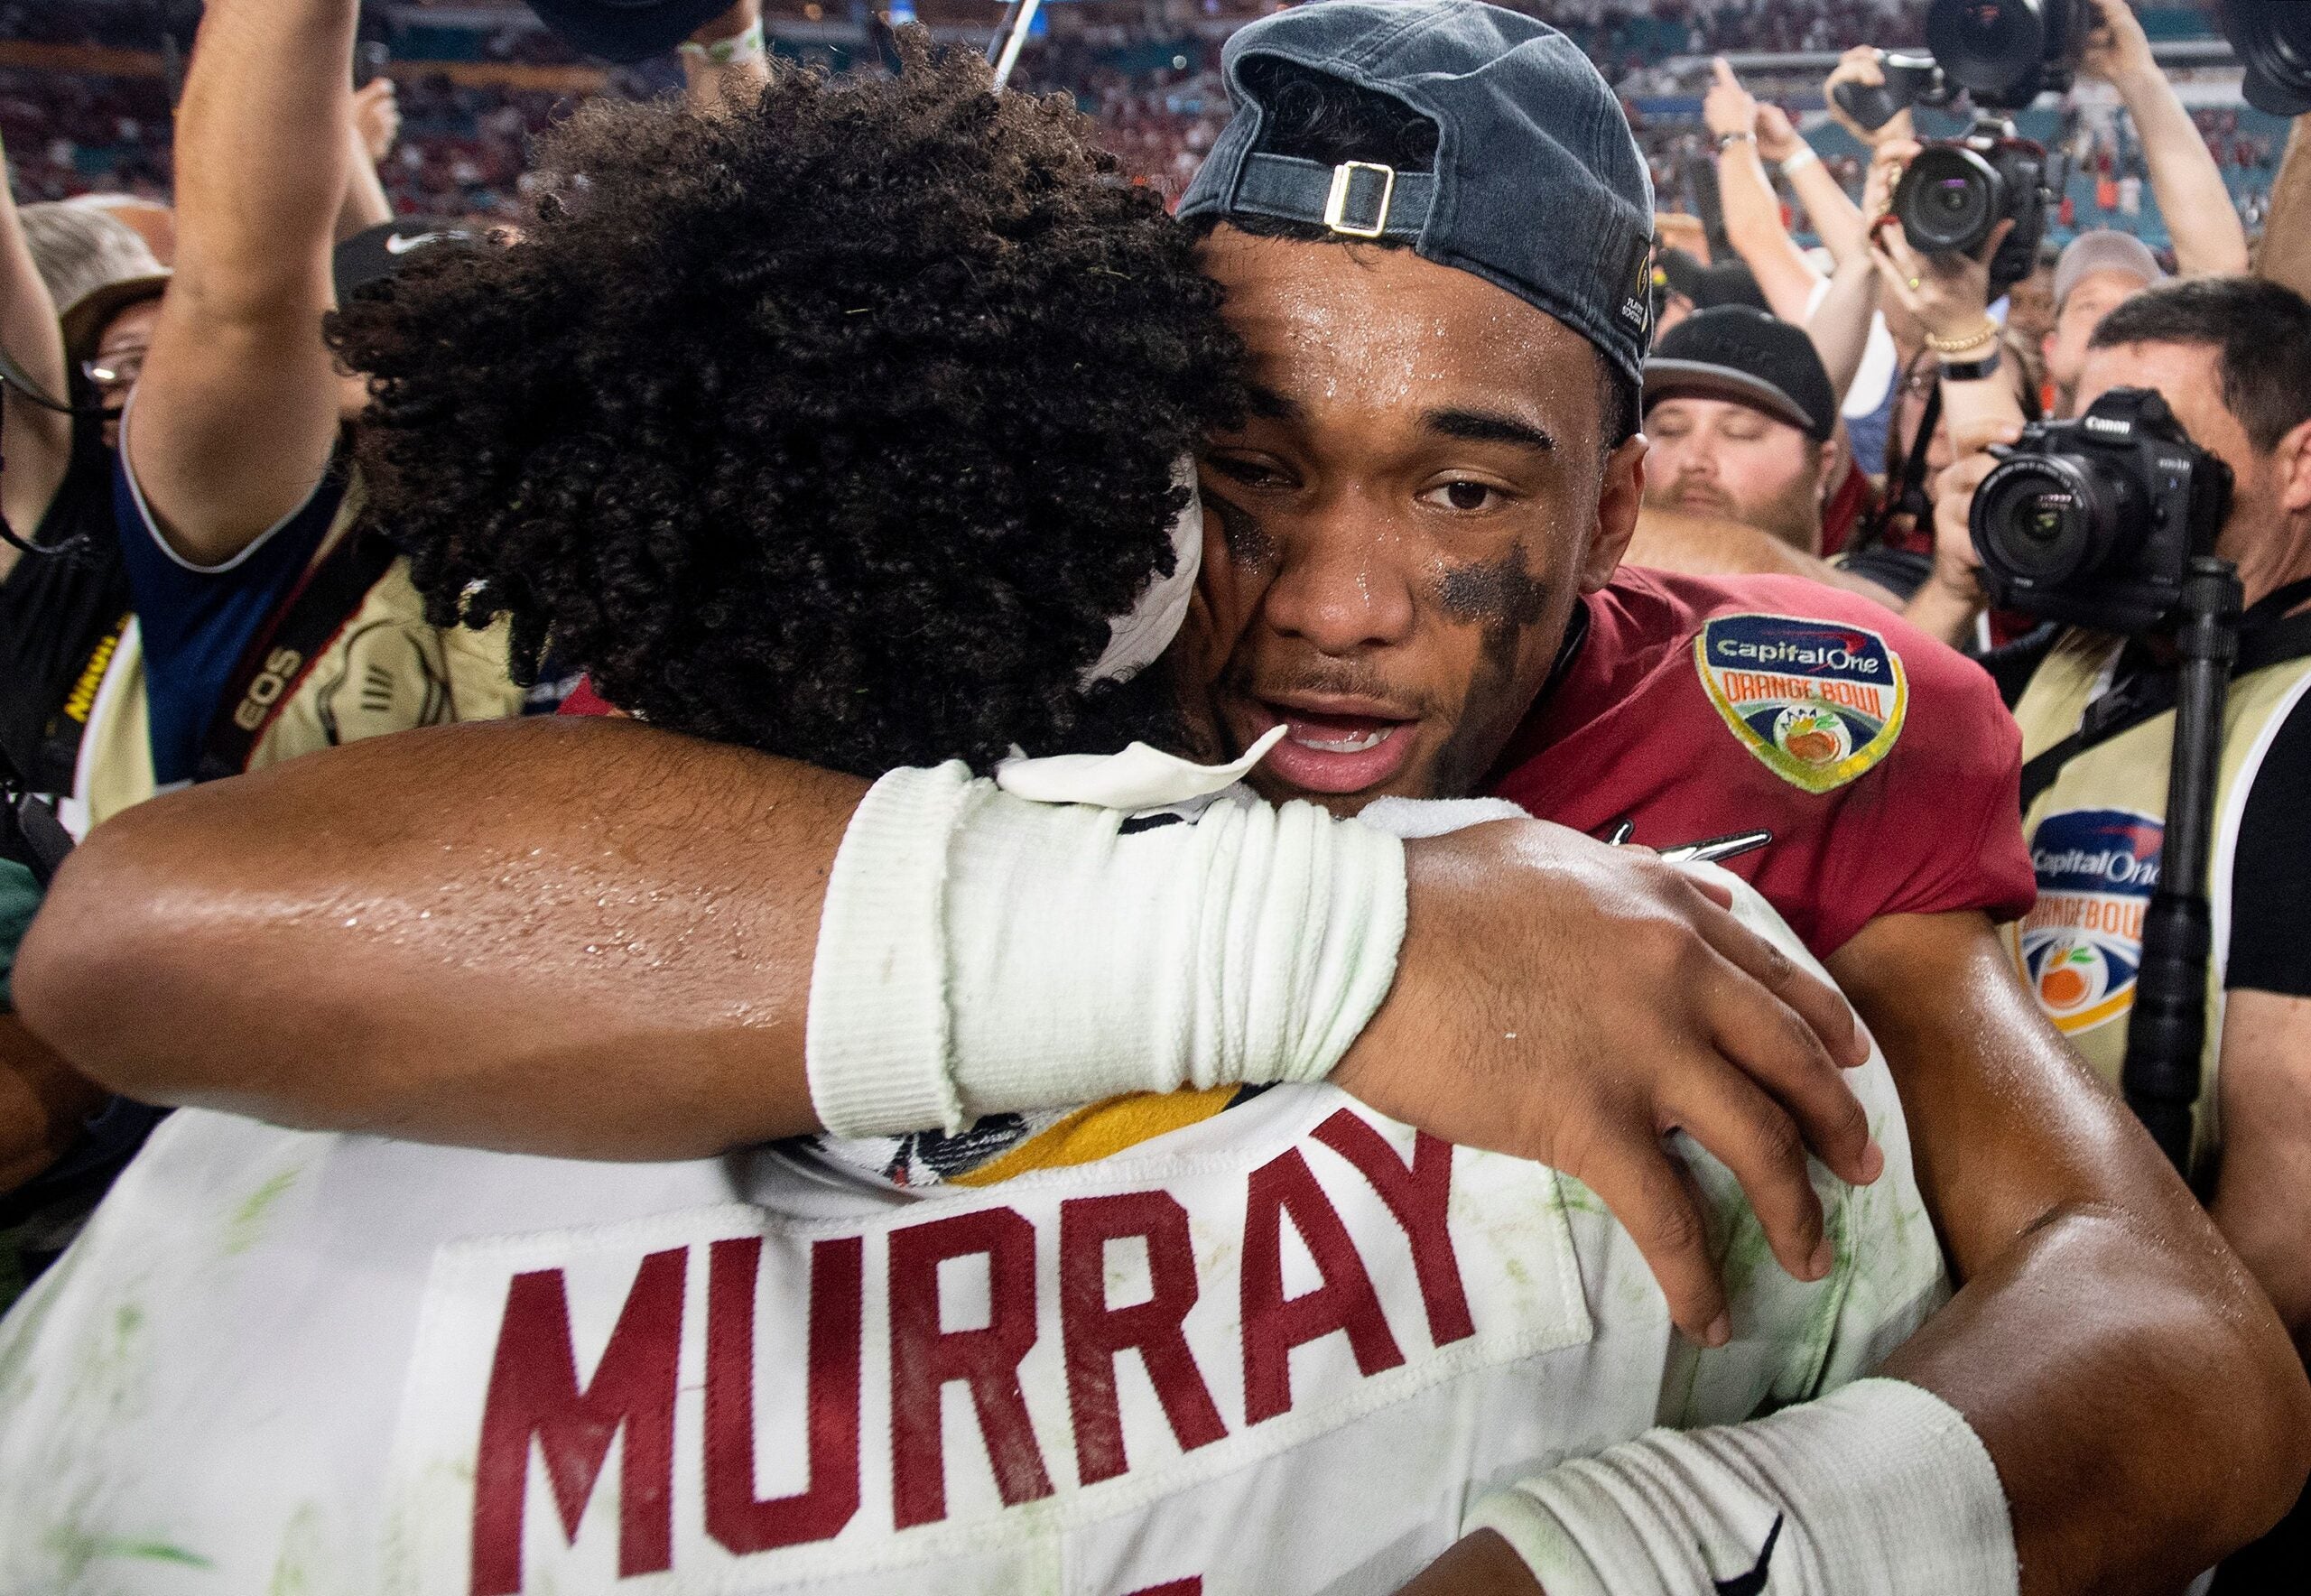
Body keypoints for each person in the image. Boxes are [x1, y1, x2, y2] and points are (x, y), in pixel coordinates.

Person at [17, 4, 2311, 1589]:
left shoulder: (1805, 719)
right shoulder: (968, 626)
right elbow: (140, 943)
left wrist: (1650, 1550)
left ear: (1609, 520)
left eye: (1459, 487)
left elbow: (2171, 1340)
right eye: (1241, 469)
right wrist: (1341, 937)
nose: (1328, 599)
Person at [1638, 305, 1842, 554]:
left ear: (1822, 466)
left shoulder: (1877, 582)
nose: (1693, 459)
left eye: (1740, 431)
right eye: (1671, 429)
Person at [2040, 229, 2166, 420]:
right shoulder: (2008, 440)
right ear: (2051, 348)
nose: (2110, 319)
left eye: (2133, 307)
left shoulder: (2193, 447)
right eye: (2090, 305)